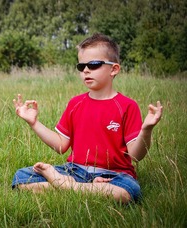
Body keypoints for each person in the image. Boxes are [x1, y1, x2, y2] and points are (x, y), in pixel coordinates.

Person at [11, 33, 163, 203]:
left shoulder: (127, 106)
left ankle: (64, 186)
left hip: (114, 175)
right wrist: (34, 123)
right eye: (81, 66)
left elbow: (135, 156)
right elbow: (61, 145)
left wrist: (146, 130)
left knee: (127, 192)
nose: (86, 70)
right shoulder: (75, 103)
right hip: (75, 171)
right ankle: (78, 187)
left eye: (94, 64)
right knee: (21, 178)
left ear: (114, 69)